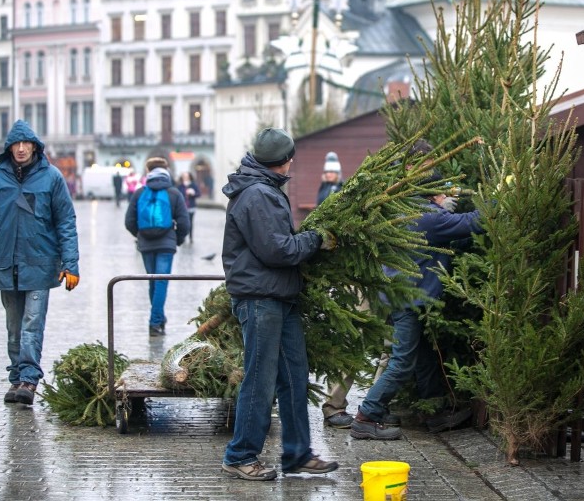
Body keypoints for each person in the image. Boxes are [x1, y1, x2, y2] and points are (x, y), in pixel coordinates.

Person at [221, 127, 339, 481]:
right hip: (261, 299)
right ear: (284, 161)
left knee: (293, 376)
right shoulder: (258, 194)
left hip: (279, 297)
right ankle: (240, 455)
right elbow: (278, 250)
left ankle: (297, 454)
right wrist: (316, 239)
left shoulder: (263, 189)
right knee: (260, 379)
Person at [350, 140, 481, 440]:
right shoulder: (429, 216)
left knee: (422, 355)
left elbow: (443, 244)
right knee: (402, 361)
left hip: (399, 294)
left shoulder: (408, 207)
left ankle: (435, 412)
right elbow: (473, 223)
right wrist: (500, 199)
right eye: (441, 192)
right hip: (409, 297)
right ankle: (366, 416)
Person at [0, 120, 80, 405]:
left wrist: (71, 264)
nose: (20, 149)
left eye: (25, 144)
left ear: (34, 146)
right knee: (14, 326)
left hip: (41, 264)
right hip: (7, 264)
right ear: (8, 148)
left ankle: (29, 379)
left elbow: (66, 222)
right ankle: (16, 377)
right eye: (15, 144)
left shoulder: (51, 177)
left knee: (32, 323)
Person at [124, 157, 190, 336]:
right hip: (166, 244)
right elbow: (184, 222)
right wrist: (177, 239)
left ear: (148, 172)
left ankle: (158, 318)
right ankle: (155, 322)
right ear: (166, 170)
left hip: (146, 244)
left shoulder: (139, 193)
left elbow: (129, 221)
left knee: (153, 281)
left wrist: (140, 235)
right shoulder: (174, 193)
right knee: (161, 282)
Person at [177, 171, 200, 243]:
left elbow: (198, 194)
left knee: (190, 222)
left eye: (187, 176)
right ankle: (183, 236)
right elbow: (177, 194)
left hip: (191, 206)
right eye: (184, 176)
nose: (186, 178)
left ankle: (191, 237)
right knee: (183, 222)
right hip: (182, 207)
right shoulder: (180, 186)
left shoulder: (193, 185)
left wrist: (193, 194)